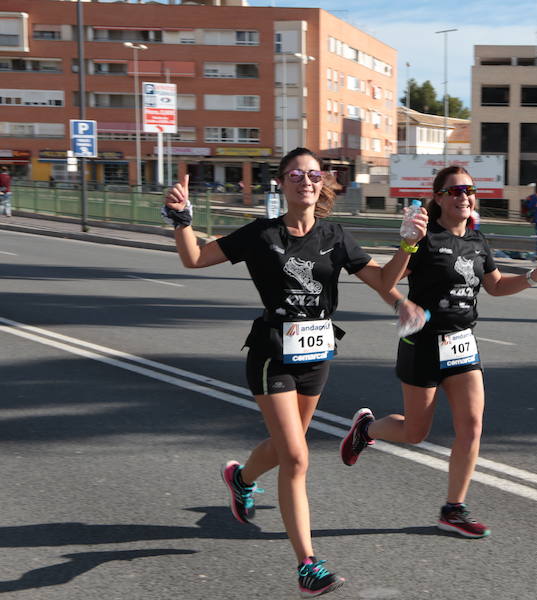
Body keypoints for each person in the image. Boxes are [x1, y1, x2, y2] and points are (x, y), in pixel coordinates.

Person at [162, 147, 427, 598]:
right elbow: (194, 259)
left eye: (314, 174)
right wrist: (182, 220)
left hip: (316, 355)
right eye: (296, 174)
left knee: (289, 448)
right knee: (298, 457)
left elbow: (382, 282)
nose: (306, 180)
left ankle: (241, 478)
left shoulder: (334, 236)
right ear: (282, 184)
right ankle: (307, 564)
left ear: (322, 183)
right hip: (271, 354)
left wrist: (406, 249)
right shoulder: (261, 234)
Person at [339, 166, 537, 539]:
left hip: (462, 343)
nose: (463, 196)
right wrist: (406, 258)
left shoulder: (477, 241)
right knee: (414, 432)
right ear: (439, 197)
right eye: (455, 190)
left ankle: (453, 508)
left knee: (472, 427)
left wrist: (531, 277)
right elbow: (386, 282)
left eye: (469, 190)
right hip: (423, 344)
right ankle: (365, 429)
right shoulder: (424, 238)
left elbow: (494, 286)